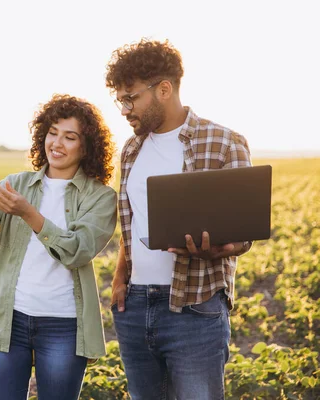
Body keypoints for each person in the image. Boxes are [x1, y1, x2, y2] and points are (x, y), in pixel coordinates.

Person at [105, 38, 253, 399]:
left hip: (196, 308)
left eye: (131, 97)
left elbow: (244, 233)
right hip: (136, 307)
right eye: (120, 100)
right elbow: (132, 222)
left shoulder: (224, 142)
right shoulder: (131, 149)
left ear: (164, 89)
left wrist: (217, 249)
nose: (124, 109)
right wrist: (120, 276)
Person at [0, 94, 118, 400]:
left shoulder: (100, 197)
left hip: (64, 326)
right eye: (52, 133)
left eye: (70, 137)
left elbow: (78, 250)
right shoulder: (18, 183)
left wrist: (28, 212)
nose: (57, 143)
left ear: (86, 146)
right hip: (7, 319)